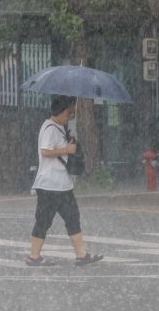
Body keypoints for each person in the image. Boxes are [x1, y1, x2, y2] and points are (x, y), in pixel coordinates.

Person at [26, 95, 103, 267]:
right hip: (49, 185)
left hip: (63, 184)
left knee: (73, 217)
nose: (71, 115)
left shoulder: (60, 127)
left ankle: (81, 255)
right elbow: (45, 151)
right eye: (69, 112)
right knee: (43, 220)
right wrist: (66, 149)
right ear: (60, 112)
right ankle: (34, 256)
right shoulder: (49, 128)